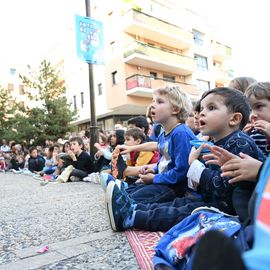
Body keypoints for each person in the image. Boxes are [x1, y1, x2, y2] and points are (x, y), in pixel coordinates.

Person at [104, 87, 265, 232]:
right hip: (212, 200)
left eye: (211, 108)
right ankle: (130, 207)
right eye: (202, 108)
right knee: (178, 205)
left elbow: (224, 188)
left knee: (182, 212)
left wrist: (195, 166)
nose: (201, 113)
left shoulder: (240, 143)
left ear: (234, 119)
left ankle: (131, 217)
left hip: (229, 209)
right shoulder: (214, 143)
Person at [244, 81, 270, 157]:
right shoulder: (253, 133)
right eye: (249, 110)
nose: (252, 115)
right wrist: (243, 137)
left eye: (258, 106)